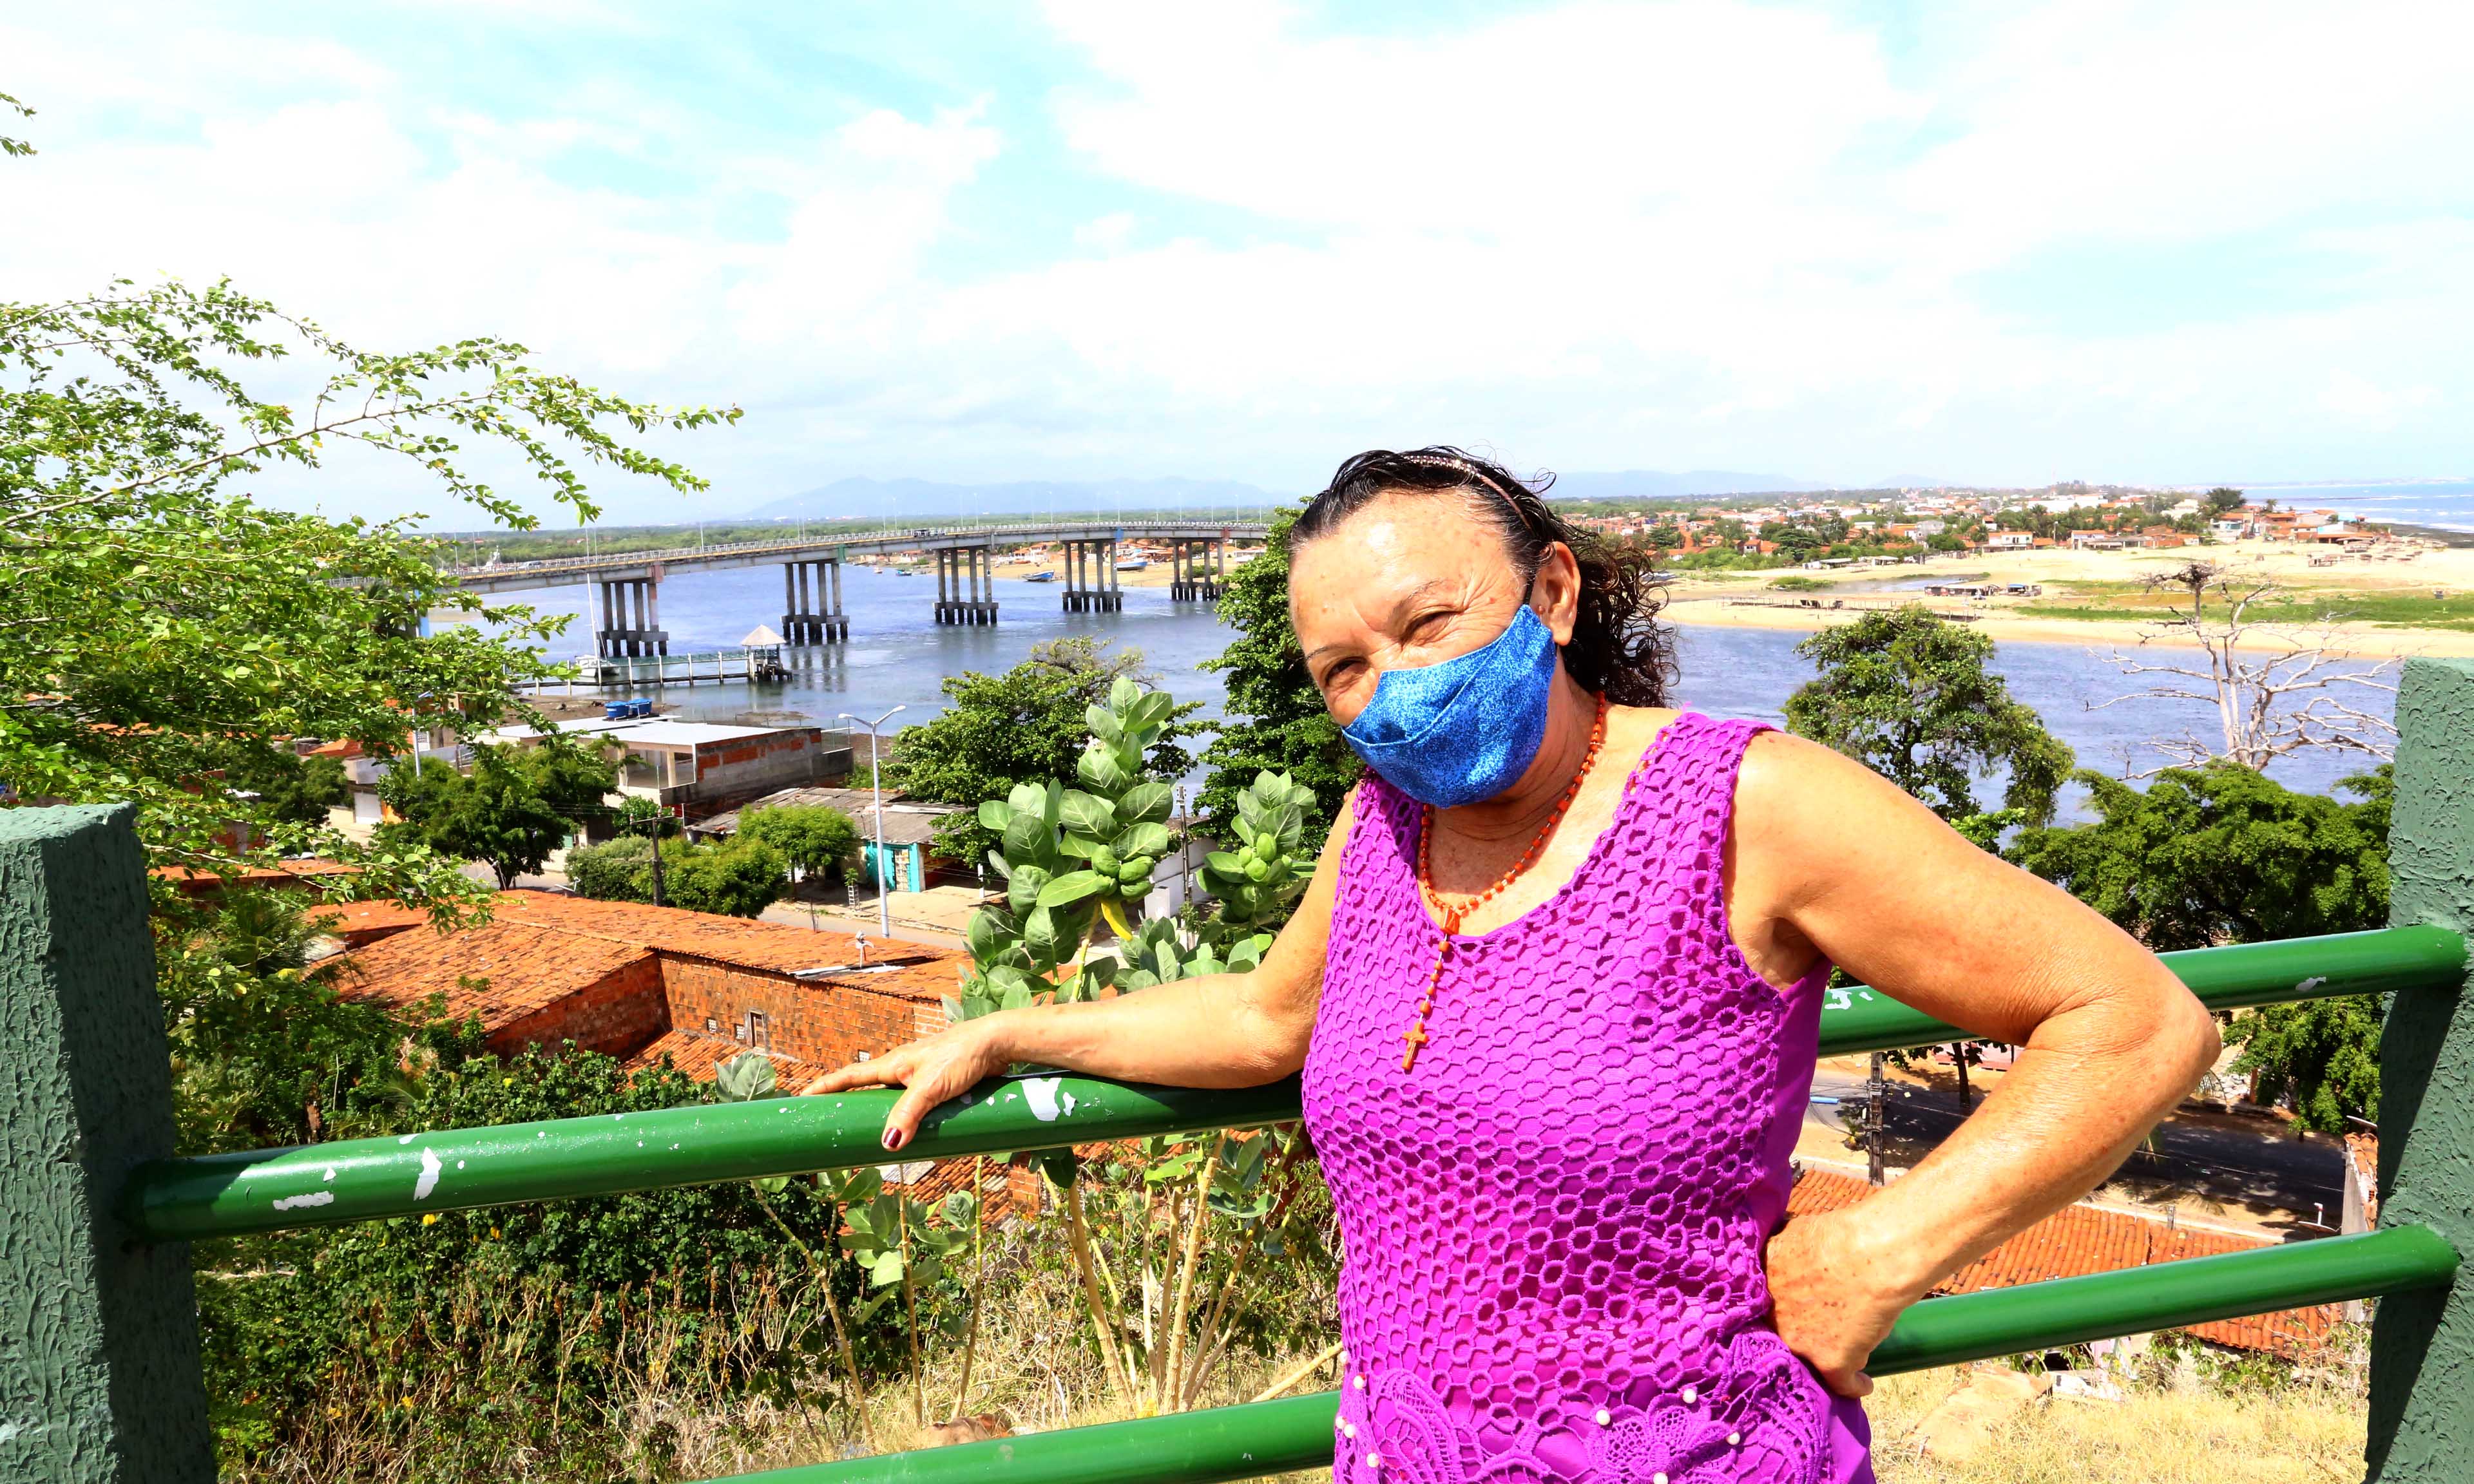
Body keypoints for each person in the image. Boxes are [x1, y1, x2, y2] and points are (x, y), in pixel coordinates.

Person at [805, 448, 2220, 1484]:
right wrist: (1009, 1033)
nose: (1392, 684)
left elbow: (2134, 1015)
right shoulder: (1381, 828)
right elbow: (1261, 1018)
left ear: (1549, 591)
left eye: (1429, 625)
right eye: (1343, 667)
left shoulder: (1749, 806)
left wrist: (1881, 1249)